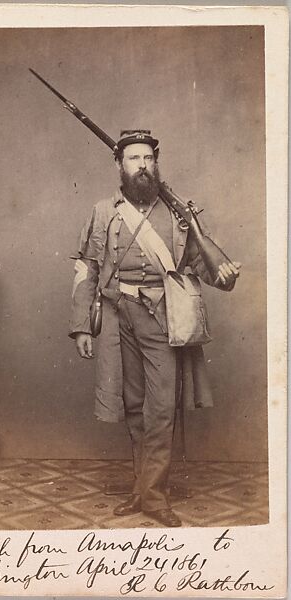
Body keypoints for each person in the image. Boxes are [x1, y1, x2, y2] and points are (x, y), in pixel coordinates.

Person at [69, 130, 240, 527]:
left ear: (156, 163)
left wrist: (224, 275)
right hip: (117, 316)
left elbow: (200, 262)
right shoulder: (103, 211)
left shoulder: (178, 213)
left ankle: (154, 496)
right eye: (134, 159)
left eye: (148, 158)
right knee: (133, 407)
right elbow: (86, 268)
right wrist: (81, 325)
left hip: (163, 317)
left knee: (161, 408)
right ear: (120, 166)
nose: (142, 166)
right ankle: (140, 488)